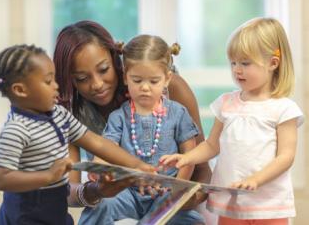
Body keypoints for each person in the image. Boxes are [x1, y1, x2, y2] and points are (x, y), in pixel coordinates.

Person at [53, 20, 211, 215]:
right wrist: (95, 190)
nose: (97, 84)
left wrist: (181, 200)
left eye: (104, 70)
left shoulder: (171, 91)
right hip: (121, 202)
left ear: (116, 61)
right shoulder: (71, 113)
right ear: (69, 79)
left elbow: (202, 169)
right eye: (82, 79)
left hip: (172, 201)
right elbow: (69, 191)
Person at [160, 17, 304, 225]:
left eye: (245, 63)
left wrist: (256, 179)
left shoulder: (283, 109)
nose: (237, 69)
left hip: (269, 205)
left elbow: (285, 157)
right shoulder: (226, 103)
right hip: (231, 200)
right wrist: (187, 158)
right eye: (233, 62)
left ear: (273, 63)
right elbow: (211, 145)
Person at [0, 44, 154, 225]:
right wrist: (48, 176)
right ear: (20, 90)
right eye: (48, 82)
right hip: (23, 215)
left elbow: (96, 143)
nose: (56, 87)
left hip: (55, 211)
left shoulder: (59, 114)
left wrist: (138, 165)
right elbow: (2, 178)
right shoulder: (16, 129)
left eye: (54, 80)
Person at [81, 34, 204, 224]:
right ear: (125, 77)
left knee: (191, 221)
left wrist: (178, 187)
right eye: (137, 80)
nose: (145, 87)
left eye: (154, 81)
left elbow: (189, 156)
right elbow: (106, 148)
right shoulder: (119, 116)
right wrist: (97, 167)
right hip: (128, 191)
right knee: (101, 205)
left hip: (166, 191)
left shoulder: (178, 113)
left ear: (167, 78)